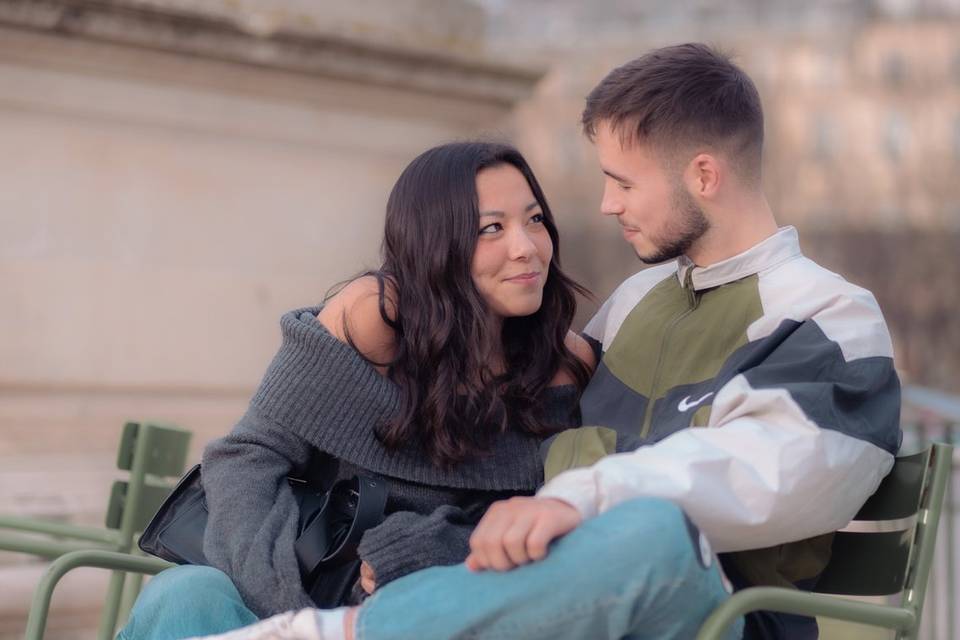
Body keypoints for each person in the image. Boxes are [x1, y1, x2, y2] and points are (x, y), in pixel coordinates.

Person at [186, 43, 901, 640]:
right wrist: (453, 539)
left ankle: (339, 634)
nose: (605, 205)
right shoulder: (634, 307)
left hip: (710, 612)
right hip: (561, 609)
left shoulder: (827, 315)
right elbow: (516, 459)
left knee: (652, 533)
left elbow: (777, 474)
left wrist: (585, 499)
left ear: (704, 176)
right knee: (185, 600)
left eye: (622, 182)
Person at [118, 141, 596, 639]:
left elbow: (571, 529)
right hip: (295, 598)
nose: (526, 247)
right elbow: (247, 457)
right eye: (491, 228)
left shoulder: (565, 367)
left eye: (535, 219)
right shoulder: (376, 318)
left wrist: (442, 546)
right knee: (184, 597)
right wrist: (293, 619)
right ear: (436, 243)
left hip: (438, 617)